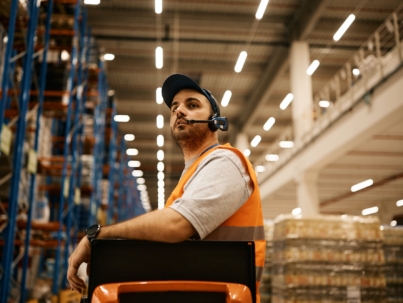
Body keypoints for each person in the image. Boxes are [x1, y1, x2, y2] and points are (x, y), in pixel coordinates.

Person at [67, 74, 266, 302]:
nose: (179, 111)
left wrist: (98, 237)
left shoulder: (226, 161)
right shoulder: (191, 176)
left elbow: (175, 226)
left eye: (192, 105)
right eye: (174, 108)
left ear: (215, 121)